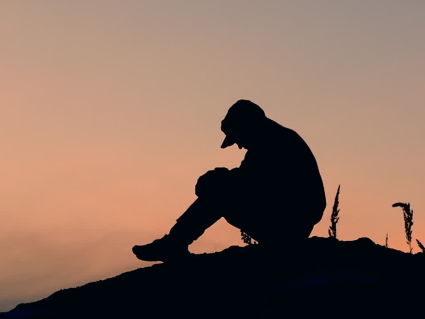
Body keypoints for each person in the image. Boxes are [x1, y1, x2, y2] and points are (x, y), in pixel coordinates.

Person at [132, 100, 326, 261]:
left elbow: (248, 183)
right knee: (220, 189)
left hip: (288, 225)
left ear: (248, 126)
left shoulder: (276, 142)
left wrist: (215, 180)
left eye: (238, 138)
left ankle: (174, 244)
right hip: (287, 220)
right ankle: (174, 243)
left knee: (220, 193)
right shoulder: (270, 141)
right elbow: (248, 180)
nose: (239, 146)